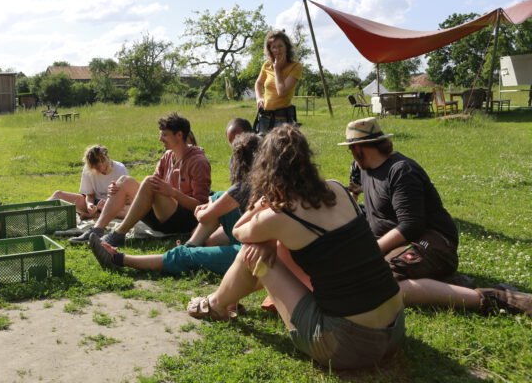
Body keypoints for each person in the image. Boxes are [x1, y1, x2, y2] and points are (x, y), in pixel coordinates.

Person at [187, 124, 406, 370]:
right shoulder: (337, 188)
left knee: (254, 252)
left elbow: (239, 231)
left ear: (265, 169)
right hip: (395, 329)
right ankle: (225, 300)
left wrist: (262, 201)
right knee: (277, 245)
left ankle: (216, 304)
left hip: (348, 346)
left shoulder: (281, 214)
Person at [340, 117, 532, 316]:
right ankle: (448, 284)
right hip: (400, 244)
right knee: (360, 277)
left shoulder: (401, 170)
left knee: (379, 283)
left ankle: (499, 298)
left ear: (359, 148)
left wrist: (372, 252)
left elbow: (411, 225)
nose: (352, 155)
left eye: (351, 150)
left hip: (434, 242)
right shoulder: (365, 170)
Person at [89, 132, 260, 275]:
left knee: (185, 256)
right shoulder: (262, 184)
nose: (160, 139)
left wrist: (200, 206)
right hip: (254, 238)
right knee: (217, 201)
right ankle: (191, 245)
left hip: (254, 251)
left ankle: (118, 259)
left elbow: (202, 212)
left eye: (164, 134)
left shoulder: (201, 164)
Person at [71, 112, 211, 247]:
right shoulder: (168, 156)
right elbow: (151, 191)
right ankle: (97, 229)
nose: (160, 139)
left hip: (182, 222)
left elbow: (201, 206)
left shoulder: (198, 162)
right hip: (161, 216)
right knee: (125, 181)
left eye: (164, 135)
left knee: (149, 181)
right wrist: (122, 193)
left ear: (179, 135)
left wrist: (173, 192)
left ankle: (118, 234)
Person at [48, 145, 129, 219]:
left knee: (130, 210)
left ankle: (94, 216)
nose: (99, 170)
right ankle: (36, 213)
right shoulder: (88, 169)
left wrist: (106, 205)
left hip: (114, 205)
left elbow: (126, 198)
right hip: (95, 204)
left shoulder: (120, 168)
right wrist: (89, 205)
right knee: (58, 194)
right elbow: (90, 195)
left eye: (101, 166)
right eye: (95, 168)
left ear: (106, 159)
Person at [253, 30, 303, 134]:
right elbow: (258, 83)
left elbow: (281, 92)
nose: (277, 50)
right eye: (273, 47)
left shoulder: (296, 67)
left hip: (283, 120)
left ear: (287, 47)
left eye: (280, 46)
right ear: (269, 49)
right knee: (262, 149)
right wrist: (259, 98)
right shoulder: (267, 65)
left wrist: (277, 70)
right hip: (264, 117)